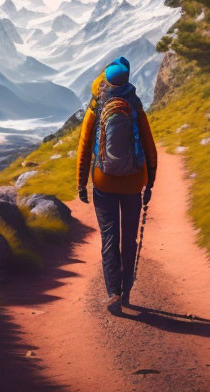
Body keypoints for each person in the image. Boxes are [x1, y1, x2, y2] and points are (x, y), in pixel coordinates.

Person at [76, 56, 157, 314]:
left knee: (109, 238)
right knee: (129, 239)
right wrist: (150, 181)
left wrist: (80, 183)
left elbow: (85, 146)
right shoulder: (133, 104)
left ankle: (113, 291)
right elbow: (148, 144)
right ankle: (127, 291)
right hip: (133, 183)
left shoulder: (97, 105)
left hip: (104, 182)